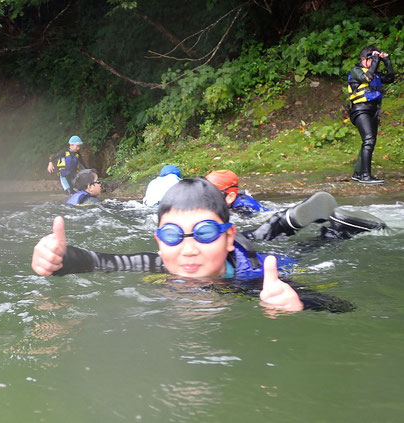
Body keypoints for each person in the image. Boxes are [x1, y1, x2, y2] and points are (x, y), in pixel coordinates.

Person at [32, 178, 354, 313]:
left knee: (305, 251)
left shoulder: (256, 279)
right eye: (172, 235)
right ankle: (286, 221)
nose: (187, 249)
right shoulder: (162, 262)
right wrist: (61, 259)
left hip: (252, 255)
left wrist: (300, 304)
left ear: (225, 236)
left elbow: (341, 306)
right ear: (159, 242)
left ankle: (336, 233)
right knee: (258, 233)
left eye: (203, 232)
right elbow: (101, 262)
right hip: (233, 240)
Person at [204, 170, 386, 241]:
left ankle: (286, 220)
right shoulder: (236, 201)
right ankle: (319, 225)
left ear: (230, 197)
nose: (206, 198)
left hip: (264, 216)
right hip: (271, 212)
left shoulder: (243, 208)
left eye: (211, 194)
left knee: (258, 237)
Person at [347, 45, 395, 184]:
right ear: (363, 59)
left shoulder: (375, 74)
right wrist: (374, 59)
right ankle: (365, 176)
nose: (375, 63)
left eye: (376, 61)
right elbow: (367, 78)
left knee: (369, 142)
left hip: (373, 110)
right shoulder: (356, 71)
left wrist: (387, 62)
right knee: (369, 140)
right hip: (360, 110)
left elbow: (390, 78)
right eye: (372, 60)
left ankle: (358, 173)